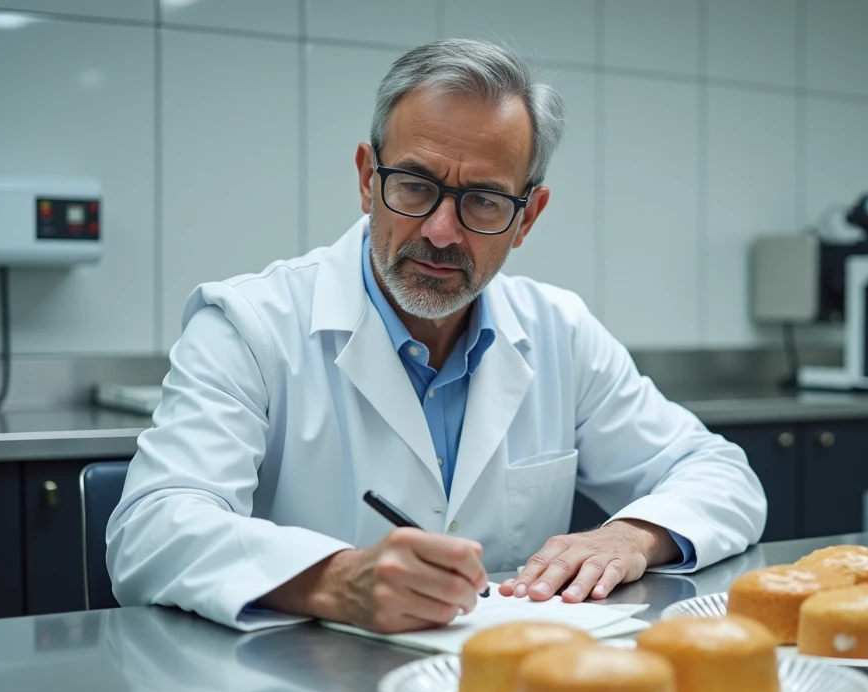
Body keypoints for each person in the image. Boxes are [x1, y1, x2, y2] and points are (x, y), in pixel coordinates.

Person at [106, 39, 765, 633]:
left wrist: (633, 535)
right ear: (369, 178)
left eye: (482, 199)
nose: (442, 231)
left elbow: (720, 474)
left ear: (527, 216)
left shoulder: (559, 331)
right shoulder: (250, 325)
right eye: (416, 186)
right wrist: (335, 581)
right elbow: (152, 530)